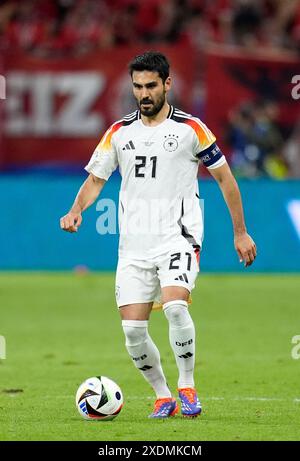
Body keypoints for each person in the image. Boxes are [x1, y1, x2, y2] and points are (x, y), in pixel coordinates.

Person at [60, 51, 257, 419]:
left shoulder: (191, 129)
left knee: (176, 306)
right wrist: (76, 210)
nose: (144, 93)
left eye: (151, 85)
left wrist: (240, 232)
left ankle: (187, 386)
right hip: (134, 246)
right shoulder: (119, 132)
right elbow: (95, 180)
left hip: (178, 238)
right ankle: (162, 394)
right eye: (137, 86)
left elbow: (226, 179)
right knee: (133, 332)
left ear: (167, 84)